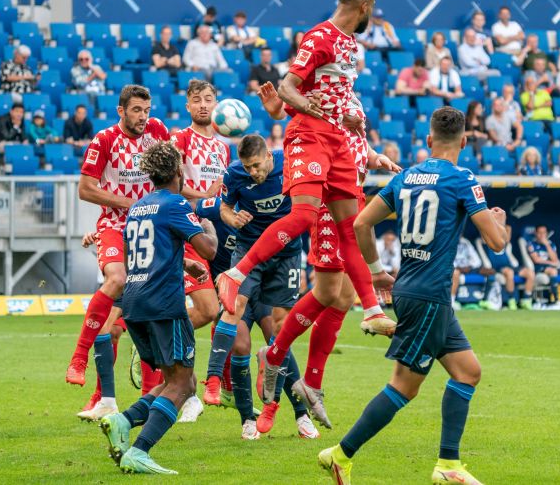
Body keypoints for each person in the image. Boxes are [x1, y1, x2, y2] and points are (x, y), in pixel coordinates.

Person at [318, 106, 508, 485]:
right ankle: (340, 455)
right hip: (429, 297)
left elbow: (360, 222)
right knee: (403, 386)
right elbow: (498, 243)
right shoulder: (462, 179)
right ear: (465, 142)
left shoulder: (405, 176)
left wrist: (375, 273)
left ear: (427, 141)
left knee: (468, 372)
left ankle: (448, 463)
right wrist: (498, 221)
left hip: (413, 290)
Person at [215, 0, 396, 348]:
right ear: (364, 6)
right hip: (309, 136)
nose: (372, 15)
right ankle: (236, 274)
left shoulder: (348, 43)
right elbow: (287, 87)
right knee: (302, 216)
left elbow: (314, 94)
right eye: (372, 9)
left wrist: (341, 121)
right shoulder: (320, 37)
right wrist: (298, 109)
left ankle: (373, 310)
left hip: (336, 141)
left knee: (351, 226)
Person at [248, 81, 401, 428]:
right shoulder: (318, 93)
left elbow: (356, 143)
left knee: (341, 296)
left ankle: (310, 381)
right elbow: (300, 117)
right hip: (331, 200)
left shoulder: (351, 97)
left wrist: (376, 158)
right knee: (329, 291)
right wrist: (278, 110)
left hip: (352, 193)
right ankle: (276, 356)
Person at [99, 141, 218, 475]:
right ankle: (139, 451)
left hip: (135, 302)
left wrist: (182, 267)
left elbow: (139, 258)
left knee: (174, 381)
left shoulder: (139, 206)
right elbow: (208, 250)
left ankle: (122, 421)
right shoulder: (176, 204)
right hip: (164, 304)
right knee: (183, 385)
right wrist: (208, 226)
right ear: (179, 172)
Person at [201, 135, 318, 439]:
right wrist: (231, 217)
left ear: (269, 155)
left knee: (280, 333)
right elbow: (217, 208)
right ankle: (218, 386)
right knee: (236, 320)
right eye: (248, 167)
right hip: (248, 257)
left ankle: (294, 412)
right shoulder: (232, 177)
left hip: (284, 257)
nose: (253, 172)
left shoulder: (291, 163)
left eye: (257, 165)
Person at [64, 86, 170, 414]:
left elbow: (171, 176)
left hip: (150, 232)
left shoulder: (158, 132)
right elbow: (85, 189)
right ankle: (79, 359)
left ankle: (113, 399)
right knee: (116, 280)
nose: (143, 116)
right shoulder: (104, 140)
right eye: (136, 110)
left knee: (130, 322)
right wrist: (130, 203)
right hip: (114, 227)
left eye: (146, 109)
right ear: (120, 110)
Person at [170, 80, 230, 421]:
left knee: (217, 310)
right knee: (207, 310)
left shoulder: (223, 148)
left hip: (211, 234)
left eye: (209, 98)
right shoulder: (181, 138)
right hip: (184, 229)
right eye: (197, 100)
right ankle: (164, 347)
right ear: (188, 106)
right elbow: (170, 181)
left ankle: (204, 382)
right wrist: (205, 194)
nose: (204, 105)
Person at [481, 225, 535, 310]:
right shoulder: (487, 241)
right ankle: (511, 300)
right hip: (497, 268)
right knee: (509, 272)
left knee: (530, 273)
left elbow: (508, 228)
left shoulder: (502, 242)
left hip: (509, 266)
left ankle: (526, 300)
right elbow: (483, 231)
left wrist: (500, 224)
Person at [527, 224, 560, 309]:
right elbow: (537, 260)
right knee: (552, 271)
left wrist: (547, 245)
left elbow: (555, 259)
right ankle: (557, 300)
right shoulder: (532, 244)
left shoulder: (550, 244)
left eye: (544, 233)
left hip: (553, 267)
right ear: (536, 233)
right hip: (540, 268)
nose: (542, 235)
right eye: (540, 233)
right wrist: (551, 263)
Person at [451, 237, 494, 311]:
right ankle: (451, 302)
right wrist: (459, 268)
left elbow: (476, 260)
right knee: (456, 273)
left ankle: (485, 300)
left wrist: (470, 267)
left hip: (469, 268)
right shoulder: (448, 240)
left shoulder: (465, 242)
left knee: (490, 271)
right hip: (454, 269)